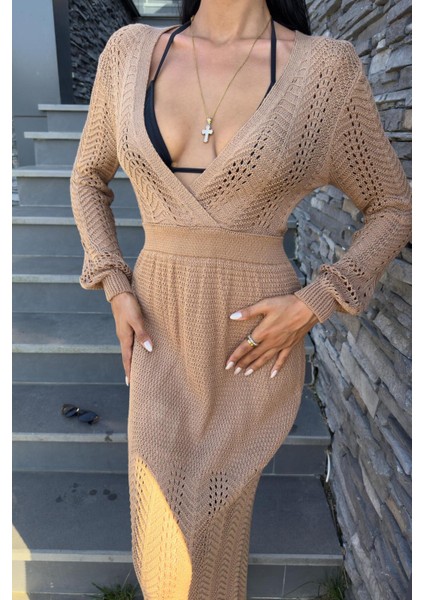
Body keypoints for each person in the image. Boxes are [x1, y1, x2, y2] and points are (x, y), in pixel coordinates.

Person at [70, 0, 412, 597]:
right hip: (159, 337)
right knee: (162, 551)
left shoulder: (324, 71)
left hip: (249, 348)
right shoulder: (128, 53)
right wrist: (115, 283)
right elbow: (86, 176)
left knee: (217, 531)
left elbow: (392, 207)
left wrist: (317, 300)